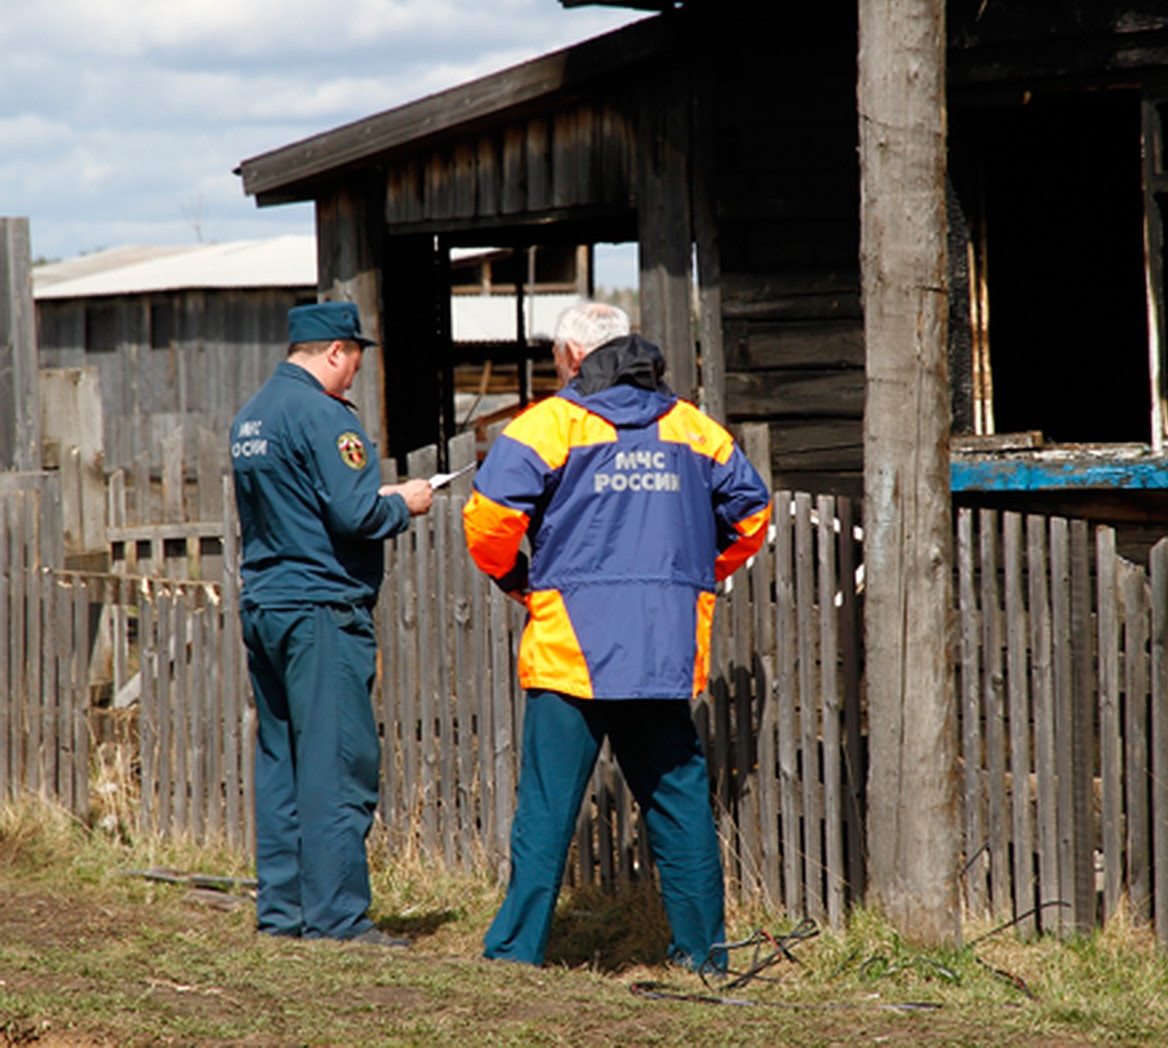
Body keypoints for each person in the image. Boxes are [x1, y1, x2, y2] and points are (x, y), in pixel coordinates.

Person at [462, 301, 771, 970]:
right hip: (662, 649)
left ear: (574, 358)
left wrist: (520, 580)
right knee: (680, 804)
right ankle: (703, 958)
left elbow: (487, 523)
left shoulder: (547, 426)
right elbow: (753, 516)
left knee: (547, 807)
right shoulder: (697, 431)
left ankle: (516, 954)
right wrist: (690, 576)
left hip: (570, 650)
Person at [230, 300, 433, 946]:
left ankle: (283, 913)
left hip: (266, 602)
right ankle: (339, 918)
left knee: (281, 760)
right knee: (336, 763)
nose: (355, 375)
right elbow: (354, 516)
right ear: (336, 352)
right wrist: (405, 504)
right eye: (355, 360)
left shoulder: (251, 416)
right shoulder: (322, 415)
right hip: (321, 609)